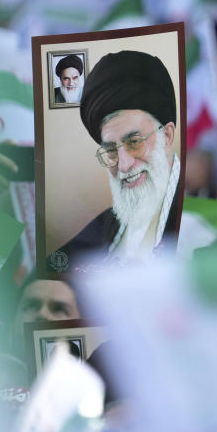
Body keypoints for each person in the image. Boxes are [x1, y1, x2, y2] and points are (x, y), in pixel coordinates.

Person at [51, 50, 182, 269]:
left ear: (166, 135)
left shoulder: (198, 213)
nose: (123, 165)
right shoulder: (102, 229)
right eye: (111, 150)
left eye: (134, 143)